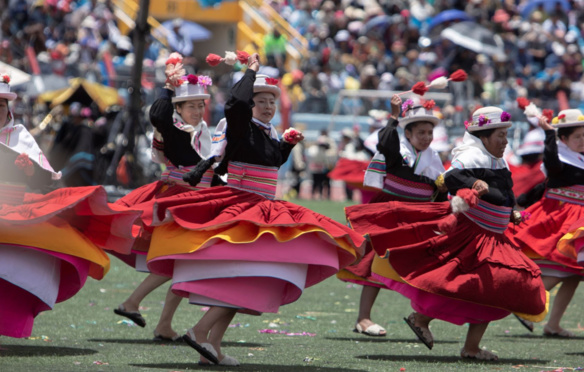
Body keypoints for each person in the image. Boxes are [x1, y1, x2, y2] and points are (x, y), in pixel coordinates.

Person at [144, 53, 365, 366]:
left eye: (272, 102)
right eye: (261, 101)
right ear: (250, 104)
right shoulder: (240, 127)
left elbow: (272, 162)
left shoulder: (266, 132)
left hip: (264, 210)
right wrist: (249, 72)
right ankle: (198, 331)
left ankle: (212, 346)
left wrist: (287, 145)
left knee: (253, 278)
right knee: (254, 276)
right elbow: (234, 105)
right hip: (243, 211)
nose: (268, 107)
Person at [346, 106, 547, 360]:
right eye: (500, 135)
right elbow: (453, 178)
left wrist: (510, 212)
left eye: (506, 136)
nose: (505, 142)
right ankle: (396, 318)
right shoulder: (470, 156)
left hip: (496, 237)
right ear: (483, 136)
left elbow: (502, 192)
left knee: (490, 289)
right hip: (473, 237)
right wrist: (472, 184)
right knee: (464, 284)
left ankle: (469, 346)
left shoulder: (496, 160)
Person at [0, 73, 140, 338]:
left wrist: (29, 171)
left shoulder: (20, 136)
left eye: (0, 106)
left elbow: (47, 183)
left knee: (12, 270)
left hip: (15, 212)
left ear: (8, 110)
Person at [111, 53, 216, 342]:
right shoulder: (174, 129)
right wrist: (168, 88)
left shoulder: (203, 131)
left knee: (184, 263)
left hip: (198, 202)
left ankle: (162, 323)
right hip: (181, 201)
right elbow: (157, 114)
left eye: (200, 105)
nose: (197, 110)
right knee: (179, 261)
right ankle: (133, 303)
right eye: (191, 105)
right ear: (177, 108)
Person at [338, 95, 446, 337]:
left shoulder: (434, 159)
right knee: (373, 263)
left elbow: (438, 198)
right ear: (408, 134)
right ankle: (363, 319)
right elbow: (385, 142)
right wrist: (395, 116)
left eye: (430, 132)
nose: (427, 137)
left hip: (418, 218)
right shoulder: (399, 152)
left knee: (427, 267)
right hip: (390, 213)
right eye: (421, 132)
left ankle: (419, 318)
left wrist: (442, 192)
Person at [507, 109, 584, 337]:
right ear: (563, 139)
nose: (582, 140)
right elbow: (551, 163)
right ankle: (522, 304)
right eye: (576, 136)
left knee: (575, 273)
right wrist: (548, 133)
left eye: (583, 135)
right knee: (562, 268)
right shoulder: (559, 157)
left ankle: (553, 324)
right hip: (563, 216)